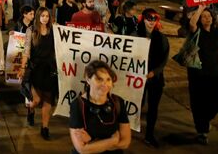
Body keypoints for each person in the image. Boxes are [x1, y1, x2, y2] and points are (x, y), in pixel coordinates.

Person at [186, 4, 218, 144]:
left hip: (214, 73)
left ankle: (204, 121)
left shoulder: (217, 33)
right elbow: (191, 23)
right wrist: (201, 8)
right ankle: (202, 131)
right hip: (197, 75)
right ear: (200, 19)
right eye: (203, 17)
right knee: (199, 103)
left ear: (213, 19)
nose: (206, 19)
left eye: (208, 16)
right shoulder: (196, 31)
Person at [69, 60, 131, 154]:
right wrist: (112, 141)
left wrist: (92, 143)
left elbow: (125, 143)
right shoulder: (77, 105)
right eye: (99, 79)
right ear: (88, 80)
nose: (105, 84)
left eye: (108, 79)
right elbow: (82, 149)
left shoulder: (118, 102)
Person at [18, 7, 58, 139]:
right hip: (35, 69)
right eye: (43, 16)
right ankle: (31, 109)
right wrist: (22, 67)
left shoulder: (54, 30)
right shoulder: (31, 31)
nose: (45, 18)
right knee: (36, 100)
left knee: (48, 100)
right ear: (38, 17)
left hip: (50, 69)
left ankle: (45, 128)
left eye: (47, 16)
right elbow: (26, 51)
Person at [136, 8, 169, 147]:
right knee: (137, 105)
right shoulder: (135, 35)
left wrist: (154, 72)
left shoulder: (161, 38)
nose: (151, 22)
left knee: (153, 108)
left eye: (154, 19)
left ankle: (149, 135)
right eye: (149, 18)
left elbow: (164, 59)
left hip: (155, 79)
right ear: (143, 19)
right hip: (137, 79)